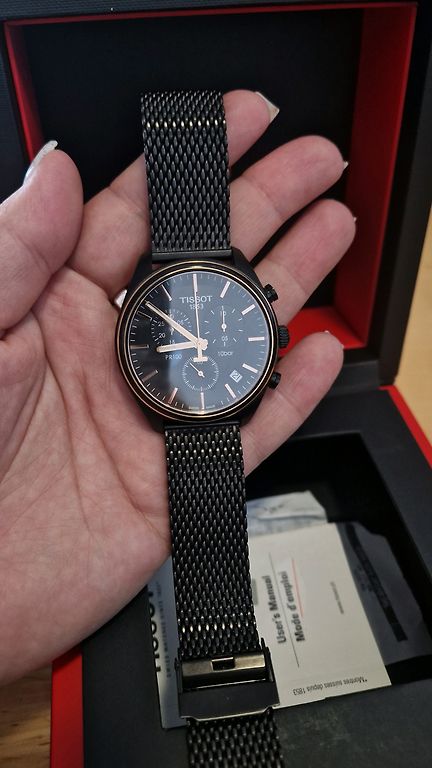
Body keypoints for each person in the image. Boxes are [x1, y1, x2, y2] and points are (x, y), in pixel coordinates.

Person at [0, 90, 355, 685]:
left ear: (271, 332)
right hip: (179, 410)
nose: (199, 347)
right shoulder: (146, 327)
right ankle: (223, 672)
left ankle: (224, 675)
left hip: (203, 411)